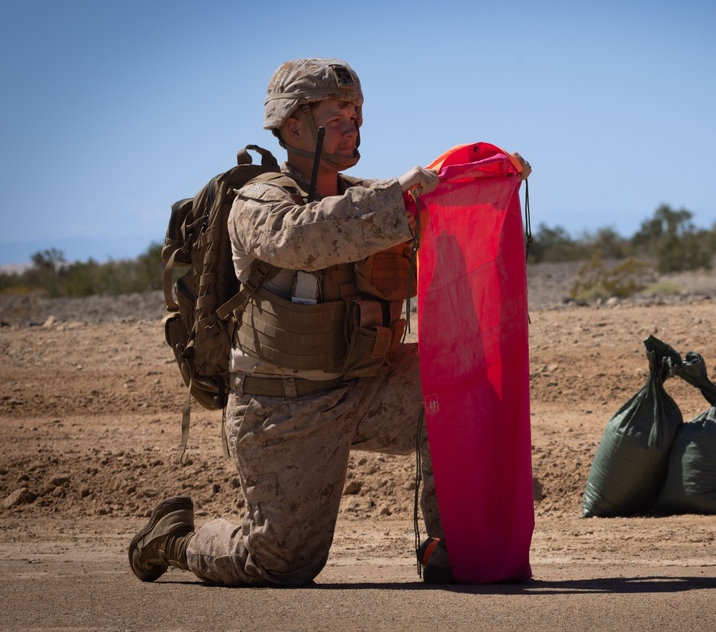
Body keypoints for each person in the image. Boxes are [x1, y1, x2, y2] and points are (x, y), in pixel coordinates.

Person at [128, 57, 529, 587]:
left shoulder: (371, 197)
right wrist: (397, 197)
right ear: (293, 126)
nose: (354, 125)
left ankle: (450, 546)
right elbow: (300, 237)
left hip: (368, 384)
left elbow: (440, 217)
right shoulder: (259, 199)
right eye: (337, 115)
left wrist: (486, 179)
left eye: (357, 113)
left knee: (461, 386)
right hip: (284, 405)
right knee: (278, 564)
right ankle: (174, 540)